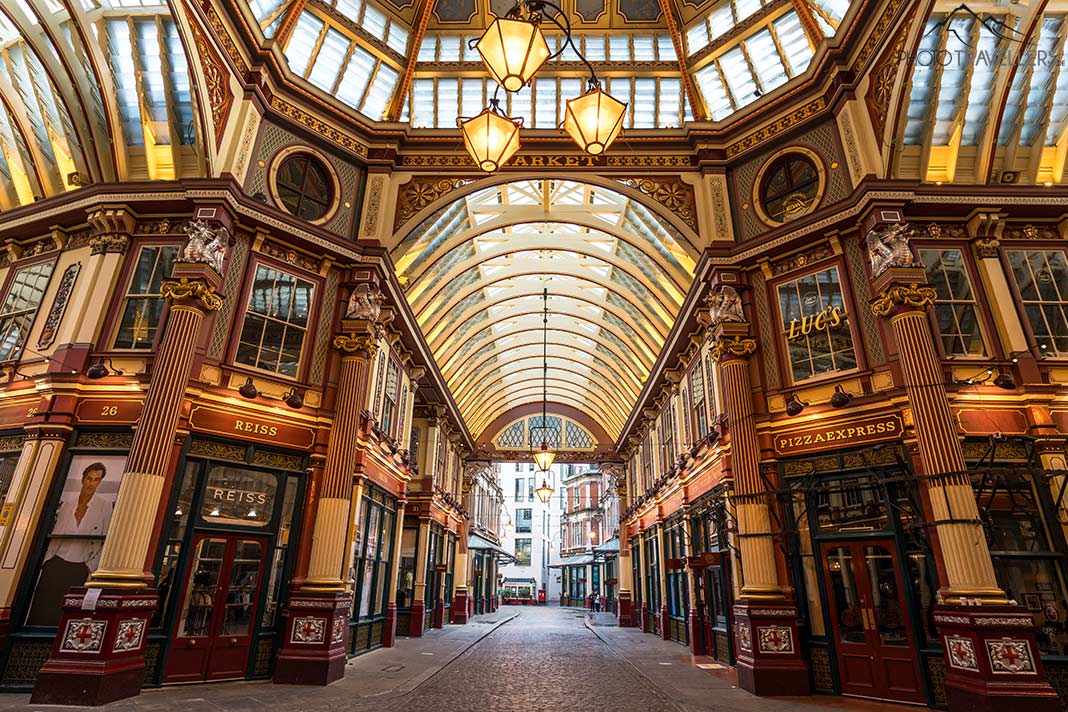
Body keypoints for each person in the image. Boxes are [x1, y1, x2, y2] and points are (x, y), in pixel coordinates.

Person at [26, 462, 113, 627]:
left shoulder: (104, 505)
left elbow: (106, 537)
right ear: (82, 480)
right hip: (56, 562)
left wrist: (90, 567)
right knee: (44, 606)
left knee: (68, 612)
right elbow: (55, 533)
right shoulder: (67, 504)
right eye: (89, 478)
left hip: (80, 567)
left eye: (96, 479)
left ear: (100, 482)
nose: (91, 483)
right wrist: (46, 562)